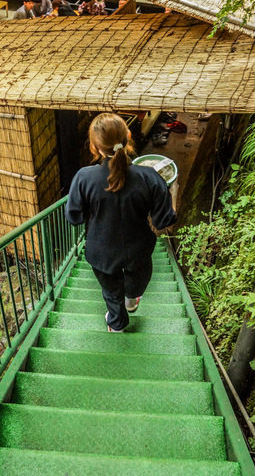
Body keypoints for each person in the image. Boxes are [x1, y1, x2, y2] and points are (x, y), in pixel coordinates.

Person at [64, 113, 176, 333]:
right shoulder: (149, 176)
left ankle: (117, 324)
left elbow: (73, 218)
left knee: (111, 290)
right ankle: (132, 300)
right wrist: (173, 193)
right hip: (139, 248)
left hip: (101, 250)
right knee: (136, 280)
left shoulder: (84, 177)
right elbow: (164, 220)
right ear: (128, 136)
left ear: (95, 148)